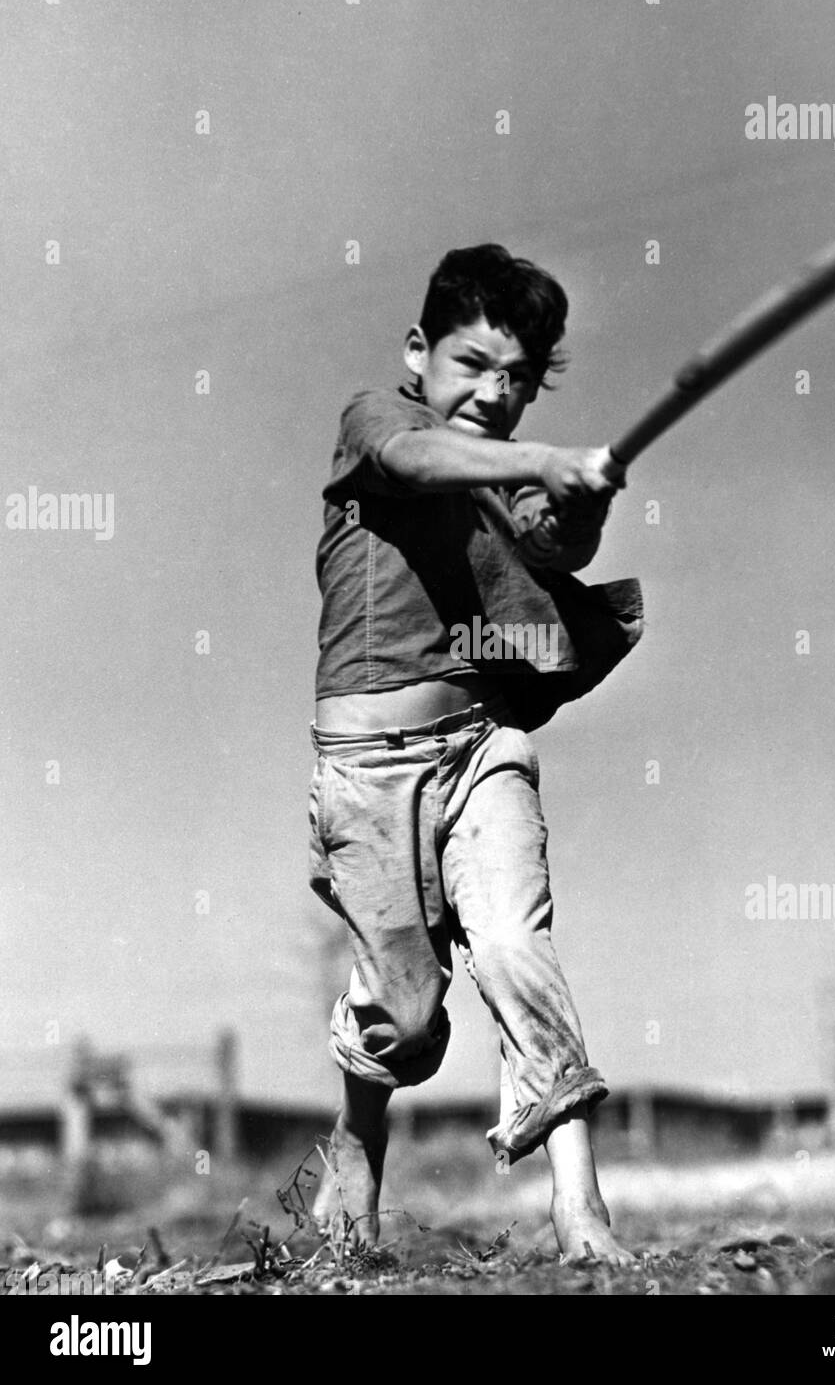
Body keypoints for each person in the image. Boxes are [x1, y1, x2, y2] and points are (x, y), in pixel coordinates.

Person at [308, 243, 644, 1263]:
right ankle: (359, 1141)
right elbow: (417, 463)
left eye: (518, 379)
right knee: (404, 1024)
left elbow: (555, 548)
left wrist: (584, 496)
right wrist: (542, 459)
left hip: (480, 748)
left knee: (513, 947)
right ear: (419, 352)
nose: (494, 395)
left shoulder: (503, 482)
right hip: (368, 773)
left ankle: (578, 1207)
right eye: (471, 364)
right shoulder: (379, 423)